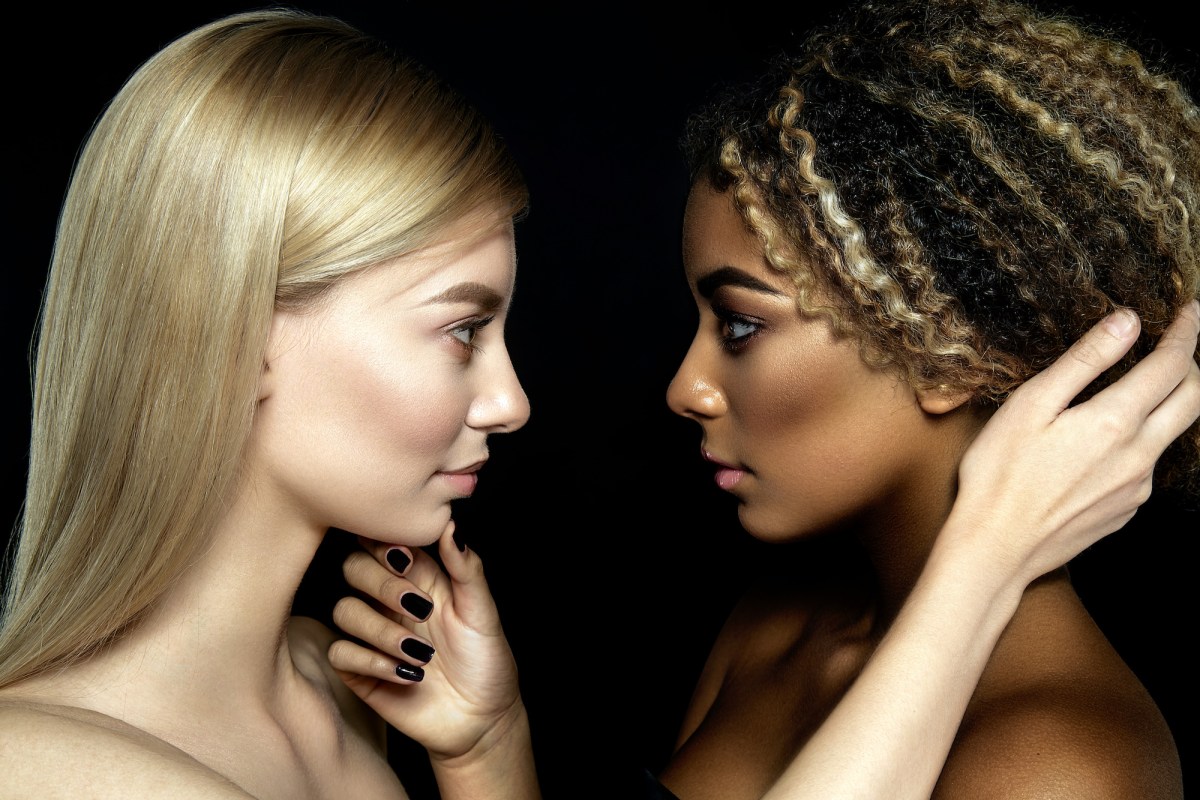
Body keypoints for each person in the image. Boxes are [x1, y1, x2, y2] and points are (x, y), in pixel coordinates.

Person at [333, 0, 1199, 797]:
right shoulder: (781, 626)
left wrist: (982, 564)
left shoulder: (1064, 761)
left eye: (741, 326)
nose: (685, 387)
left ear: (950, 356)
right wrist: (489, 746)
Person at [0, 10, 539, 798]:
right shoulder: (46, 768)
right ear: (240, 329)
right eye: (463, 330)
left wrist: (487, 748)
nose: (510, 403)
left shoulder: (340, 694)